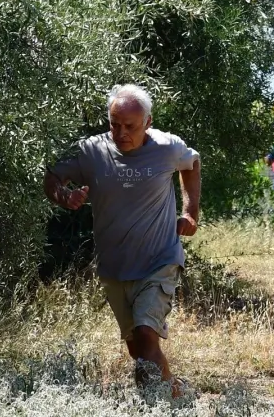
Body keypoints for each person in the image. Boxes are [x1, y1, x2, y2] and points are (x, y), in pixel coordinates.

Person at [43, 84, 200, 396]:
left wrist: (191, 212)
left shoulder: (167, 148)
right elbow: (52, 175)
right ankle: (175, 393)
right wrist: (63, 195)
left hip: (160, 259)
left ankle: (153, 406)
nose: (121, 132)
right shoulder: (91, 151)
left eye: (130, 126)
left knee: (146, 336)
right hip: (114, 267)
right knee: (138, 352)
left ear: (148, 123)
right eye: (115, 124)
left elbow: (192, 163)